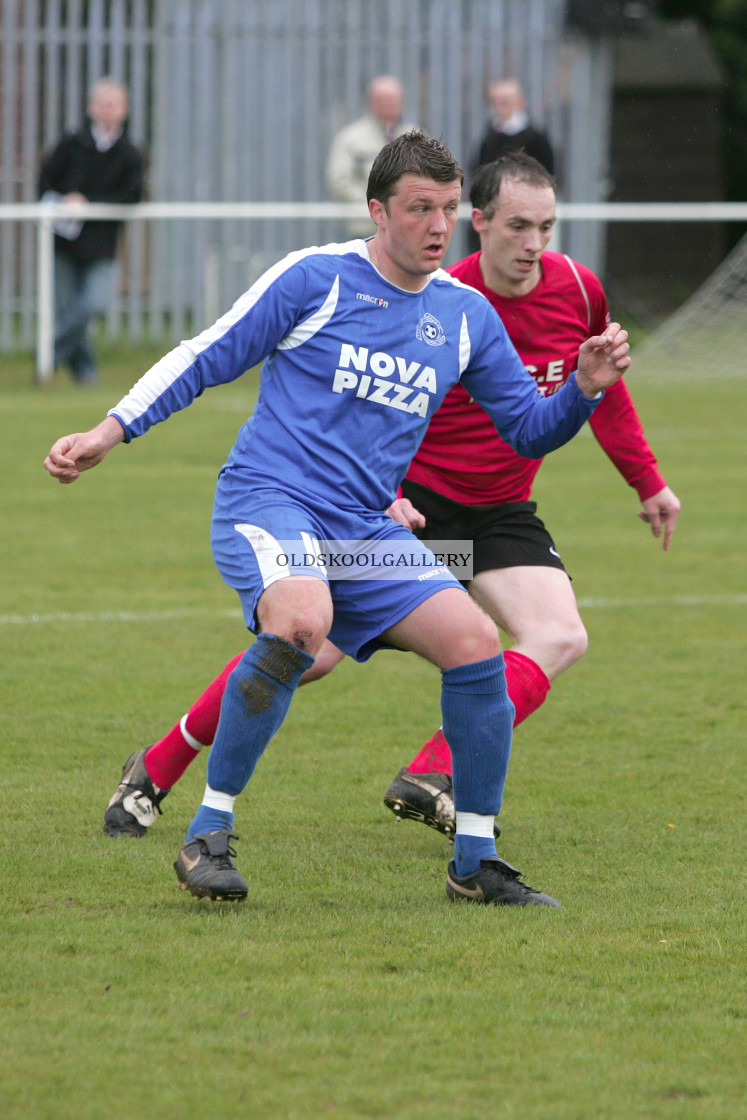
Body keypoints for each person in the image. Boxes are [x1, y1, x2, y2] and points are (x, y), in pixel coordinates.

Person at [46, 133, 630, 909]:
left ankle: (475, 863)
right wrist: (107, 431)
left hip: (365, 527)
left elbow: (527, 428)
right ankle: (207, 835)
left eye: (449, 210)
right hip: (270, 500)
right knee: (302, 622)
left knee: (475, 643)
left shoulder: (463, 317)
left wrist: (583, 389)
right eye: (420, 208)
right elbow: (204, 355)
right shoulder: (316, 278)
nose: (436, 225)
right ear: (377, 210)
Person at [38, 77, 144, 385]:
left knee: (93, 304)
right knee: (66, 309)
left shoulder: (129, 153)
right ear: (91, 107)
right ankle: (85, 376)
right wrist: (65, 200)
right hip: (64, 242)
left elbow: (132, 195)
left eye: (113, 104)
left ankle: (49, 354)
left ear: (123, 109)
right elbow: (44, 181)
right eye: (101, 103)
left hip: (102, 244)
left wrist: (90, 203)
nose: (106, 110)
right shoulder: (71, 143)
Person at [466, 79, 554, 254]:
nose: (500, 106)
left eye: (506, 101)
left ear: (520, 102)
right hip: (492, 210)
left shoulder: (536, 139)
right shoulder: (489, 137)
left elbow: (547, 177)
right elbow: (477, 171)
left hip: (525, 214)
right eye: (496, 101)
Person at [326, 76, 416, 236]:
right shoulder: (351, 137)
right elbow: (339, 179)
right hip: (365, 228)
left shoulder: (416, 135)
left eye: (394, 100)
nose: (389, 106)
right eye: (383, 100)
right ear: (371, 103)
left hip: (406, 228)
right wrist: (375, 203)